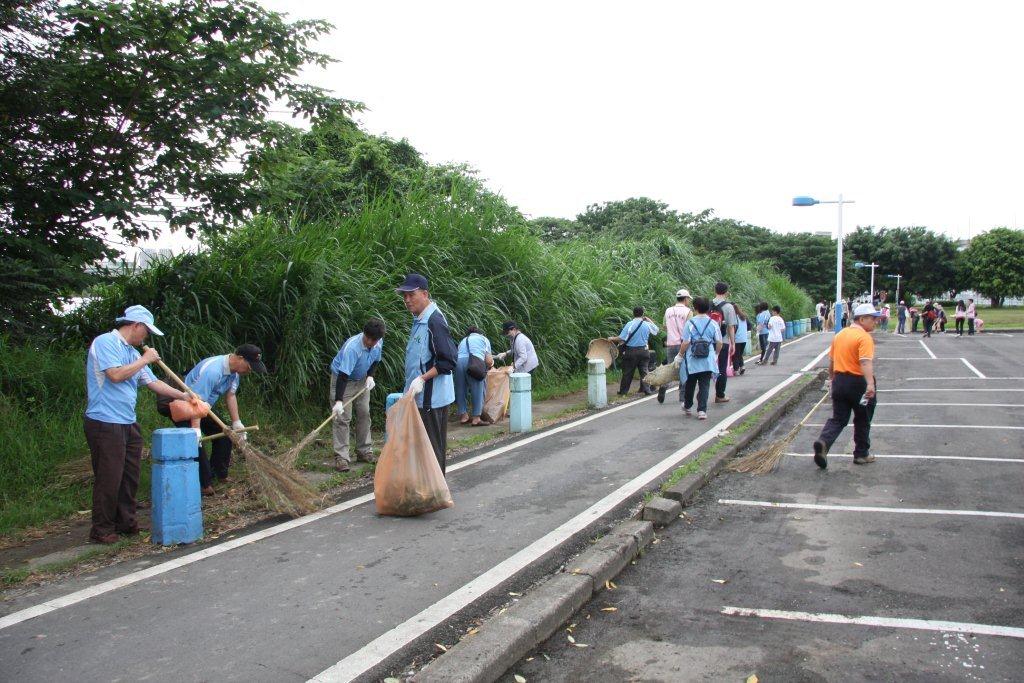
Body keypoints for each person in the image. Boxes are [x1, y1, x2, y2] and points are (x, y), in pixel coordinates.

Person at [84, 305, 192, 544]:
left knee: (129, 474)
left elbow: (152, 383)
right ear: (136, 326)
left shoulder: (133, 353)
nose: (147, 337)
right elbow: (115, 375)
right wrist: (145, 359)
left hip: (128, 421)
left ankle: (126, 523)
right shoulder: (106, 342)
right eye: (146, 331)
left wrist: (184, 395)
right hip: (104, 421)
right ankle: (101, 529)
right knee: (109, 476)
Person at [159, 344, 268, 492]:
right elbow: (195, 403)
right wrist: (196, 430)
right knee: (195, 442)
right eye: (250, 366)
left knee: (225, 433)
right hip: (185, 406)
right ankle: (205, 484)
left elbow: (230, 395)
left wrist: (237, 422)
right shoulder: (213, 371)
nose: (250, 370)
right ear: (240, 358)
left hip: (204, 407)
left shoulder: (234, 373)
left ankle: (219, 474)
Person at [397, 273, 457, 474]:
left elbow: (448, 360)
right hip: (420, 397)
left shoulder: (434, 321)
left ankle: (435, 492)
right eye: (404, 296)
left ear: (424, 294)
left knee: (431, 448)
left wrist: (422, 379)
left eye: (411, 295)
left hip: (432, 400)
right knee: (422, 449)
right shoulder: (420, 320)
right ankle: (425, 490)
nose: (407, 300)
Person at [812, 303, 881, 468]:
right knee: (863, 418)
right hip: (858, 383)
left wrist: (831, 380)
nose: (875, 322)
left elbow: (832, 361)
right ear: (862, 319)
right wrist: (870, 384)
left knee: (839, 418)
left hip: (839, 381)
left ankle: (824, 442)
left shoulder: (841, 335)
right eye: (873, 318)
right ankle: (861, 454)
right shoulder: (863, 337)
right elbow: (865, 361)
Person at [328, 319, 384, 472]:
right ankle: (342, 457)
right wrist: (339, 401)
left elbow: (375, 361)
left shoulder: (378, 343)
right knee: (342, 417)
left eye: (374, 340)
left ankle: (364, 451)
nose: (370, 342)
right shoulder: (353, 348)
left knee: (364, 413)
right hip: (343, 381)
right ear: (364, 334)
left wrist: (370, 376)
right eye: (368, 338)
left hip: (361, 380)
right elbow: (343, 376)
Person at [674, 296, 723, 420]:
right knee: (704, 385)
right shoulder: (713, 323)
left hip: (692, 359)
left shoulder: (690, 323)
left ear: (695, 308)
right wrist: (716, 354)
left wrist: (680, 355)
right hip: (708, 359)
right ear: (708, 309)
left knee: (690, 383)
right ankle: (702, 411)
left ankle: (688, 405)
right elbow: (719, 342)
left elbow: (686, 342)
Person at [610, 307, 659, 396]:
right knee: (644, 371)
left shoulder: (630, 324)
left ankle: (623, 392)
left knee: (628, 372)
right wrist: (648, 320)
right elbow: (656, 330)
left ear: (633, 314)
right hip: (644, 351)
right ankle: (647, 390)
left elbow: (622, 338)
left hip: (631, 351)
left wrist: (611, 338)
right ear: (642, 314)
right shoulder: (647, 324)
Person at [658, 289, 692, 404]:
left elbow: (664, 326)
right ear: (686, 299)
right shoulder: (688, 312)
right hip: (683, 344)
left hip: (670, 344)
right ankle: (682, 397)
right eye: (688, 299)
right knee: (684, 370)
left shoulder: (668, 311)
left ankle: (664, 385)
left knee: (671, 369)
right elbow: (690, 329)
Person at [455, 326, 493, 426]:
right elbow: (488, 361)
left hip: (458, 363)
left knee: (460, 389)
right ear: (480, 333)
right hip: (473, 364)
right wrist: (491, 364)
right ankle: (476, 418)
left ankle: (464, 416)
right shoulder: (484, 339)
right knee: (477, 389)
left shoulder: (463, 340)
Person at [710, 282, 737, 403]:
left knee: (706, 368)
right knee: (722, 368)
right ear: (726, 292)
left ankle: (702, 395)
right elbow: (731, 327)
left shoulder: (708, 304)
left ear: (714, 290)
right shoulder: (729, 307)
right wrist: (733, 343)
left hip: (708, 341)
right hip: (723, 341)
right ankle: (720, 395)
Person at [732, 303, 749, 375]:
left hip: (737, 339)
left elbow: (733, 328)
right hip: (744, 339)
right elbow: (749, 326)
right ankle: (742, 367)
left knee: (735, 355)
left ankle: (736, 370)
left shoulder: (734, 317)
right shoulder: (743, 317)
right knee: (739, 354)